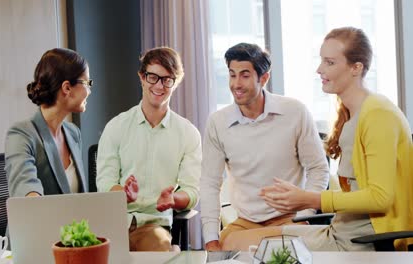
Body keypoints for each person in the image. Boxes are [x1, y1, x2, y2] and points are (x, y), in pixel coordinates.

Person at [224, 27, 413, 251]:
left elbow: (381, 198)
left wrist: (310, 199)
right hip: (338, 231)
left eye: (330, 62)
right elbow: (355, 192)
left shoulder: (378, 114)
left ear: (356, 67)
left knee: (239, 246)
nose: (319, 69)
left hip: (358, 242)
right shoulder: (354, 113)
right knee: (231, 240)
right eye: (321, 61)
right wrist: (304, 198)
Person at [200, 43, 329, 251]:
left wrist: (304, 218)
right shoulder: (218, 122)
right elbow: (209, 183)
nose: (236, 84)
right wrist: (211, 239)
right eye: (232, 75)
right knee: (227, 247)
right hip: (245, 222)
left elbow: (318, 168)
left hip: (289, 220)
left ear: (264, 78)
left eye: (244, 75)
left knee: (238, 246)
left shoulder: (295, 112)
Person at [96, 47, 201, 251]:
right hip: (113, 224)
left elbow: (192, 191)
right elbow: (105, 183)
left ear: (175, 82)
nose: (159, 86)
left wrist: (173, 200)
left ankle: (171, 252)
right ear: (142, 77)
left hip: (154, 226)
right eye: (153, 77)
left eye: (167, 79)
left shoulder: (188, 133)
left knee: (158, 248)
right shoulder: (116, 127)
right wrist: (123, 194)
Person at [5, 48, 91, 197]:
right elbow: (26, 192)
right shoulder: (21, 135)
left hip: (73, 220)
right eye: (86, 83)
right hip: (40, 220)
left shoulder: (73, 133)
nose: (89, 91)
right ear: (67, 88)